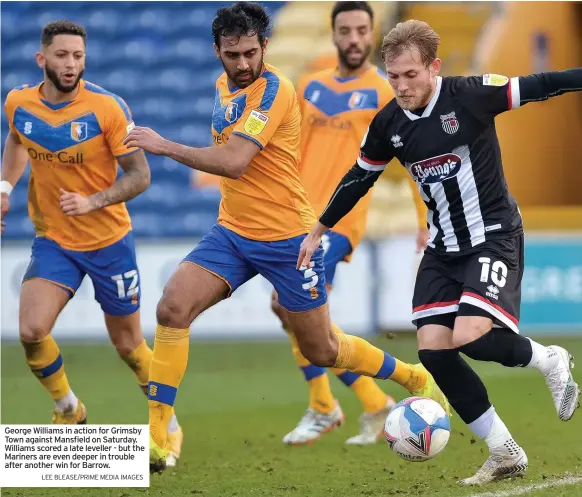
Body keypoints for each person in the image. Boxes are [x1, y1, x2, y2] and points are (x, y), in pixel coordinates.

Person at [123, 3, 449, 473]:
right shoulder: (224, 86)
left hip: (288, 238)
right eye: (232, 54)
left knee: (323, 348)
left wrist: (164, 145)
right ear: (217, 51)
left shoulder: (276, 90)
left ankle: (411, 376)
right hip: (232, 232)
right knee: (172, 306)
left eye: (250, 53)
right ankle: (157, 436)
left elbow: (235, 161)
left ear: (265, 48)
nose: (241, 64)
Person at [297, 19, 581, 485]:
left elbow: (543, 84)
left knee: (472, 336)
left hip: (493, 234)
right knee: (434, 349)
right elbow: (359, 177)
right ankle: (504, 451)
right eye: (394, 76)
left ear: (434, 67)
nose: (402, 85)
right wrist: (319, 228)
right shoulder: (388, 123)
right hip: (443, 246)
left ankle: (549, 359)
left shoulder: (470, 94)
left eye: (411, 75)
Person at [0, 20, 183, 466]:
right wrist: (4, 191)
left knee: (128, 346)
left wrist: (93, 200)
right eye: (62, 56)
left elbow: (141, 176)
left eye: (78, 56)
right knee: (30, 331)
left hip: (108, 241)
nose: (71, 64)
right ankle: (69, 410)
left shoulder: (107, 108)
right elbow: (17, 140)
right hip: (55, 238)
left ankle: (168, 426)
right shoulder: (18, 102)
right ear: (42, 59)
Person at [274, 1, 430, 447]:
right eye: (346, 30)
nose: (354, 38)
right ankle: (373, 401)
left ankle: (326, 405)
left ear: (373, 33)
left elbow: (414, 158)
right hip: (296, 219)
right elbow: (290, 155)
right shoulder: (310, 86)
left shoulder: (385, 93)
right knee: (293, 314)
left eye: (363, 30)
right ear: (334, 33)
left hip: (339, 222)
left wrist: (424, 220)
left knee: (294, 310)